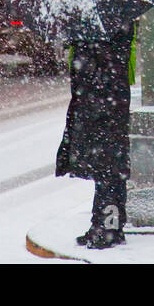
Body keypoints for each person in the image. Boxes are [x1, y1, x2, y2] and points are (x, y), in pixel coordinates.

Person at [56, 23, 133, 249]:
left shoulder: (111, 26)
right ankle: (104, 225)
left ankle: (108, 227)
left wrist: (83, 41)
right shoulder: (100, 25)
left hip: (106, 103)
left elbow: (106, 61)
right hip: (100, 101)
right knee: (105, 167)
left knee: (109, 166)